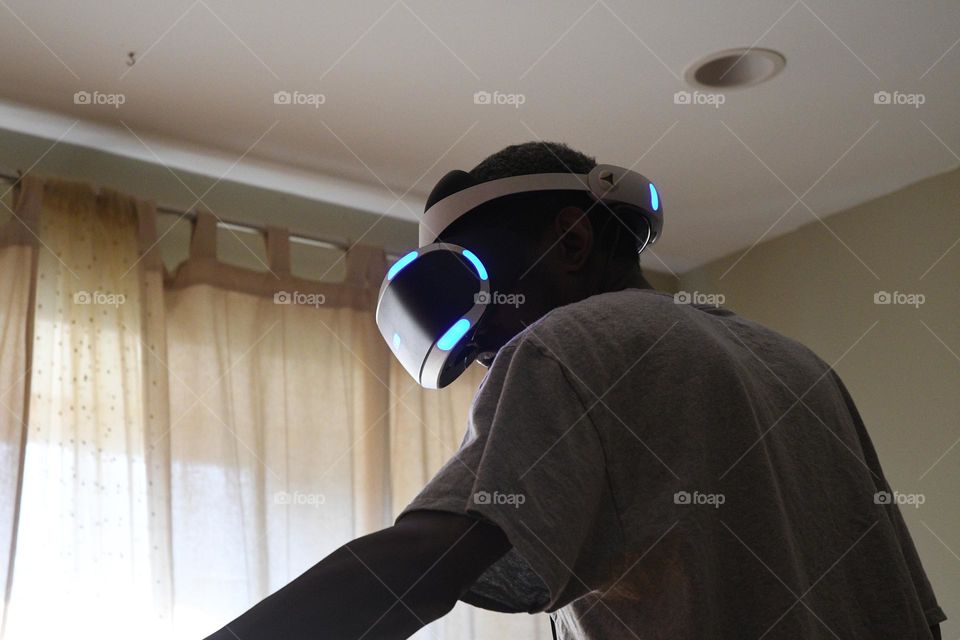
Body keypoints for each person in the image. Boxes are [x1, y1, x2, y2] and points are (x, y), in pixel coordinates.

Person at [203, 142, 946, 639]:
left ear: (571, 241)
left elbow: (415, 567)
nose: (492, 356)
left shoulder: (572, 346)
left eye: (484, 306)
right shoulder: (801, 370)